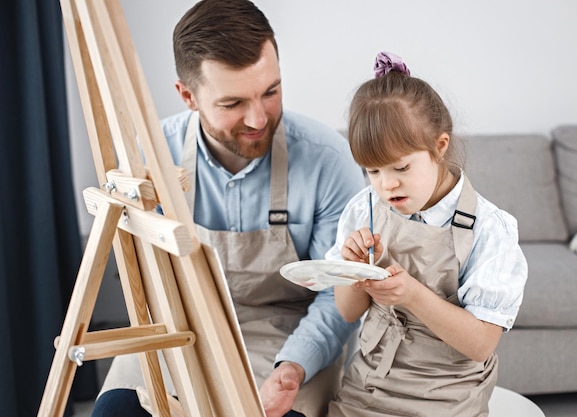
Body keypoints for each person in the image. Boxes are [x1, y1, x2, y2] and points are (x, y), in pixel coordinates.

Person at [91, 1, 365, 417]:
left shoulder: (328, 160)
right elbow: (139, 277)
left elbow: (337, 293)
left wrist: (292, 368)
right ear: (187, 96)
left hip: (290, 338)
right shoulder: (149, 157)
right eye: (233, 103)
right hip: (178, 331)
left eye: (271, 92)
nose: (258, 118)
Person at [324, 52, 528, 417]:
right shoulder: (364, 207)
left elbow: (481, 344)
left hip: (447, 399)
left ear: (440, 146)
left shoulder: (489, 229)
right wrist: (352, 269)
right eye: (372, 170)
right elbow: (347, 311)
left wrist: (412, 295)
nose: (386, 184)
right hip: (369, 387)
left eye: (401, 167)